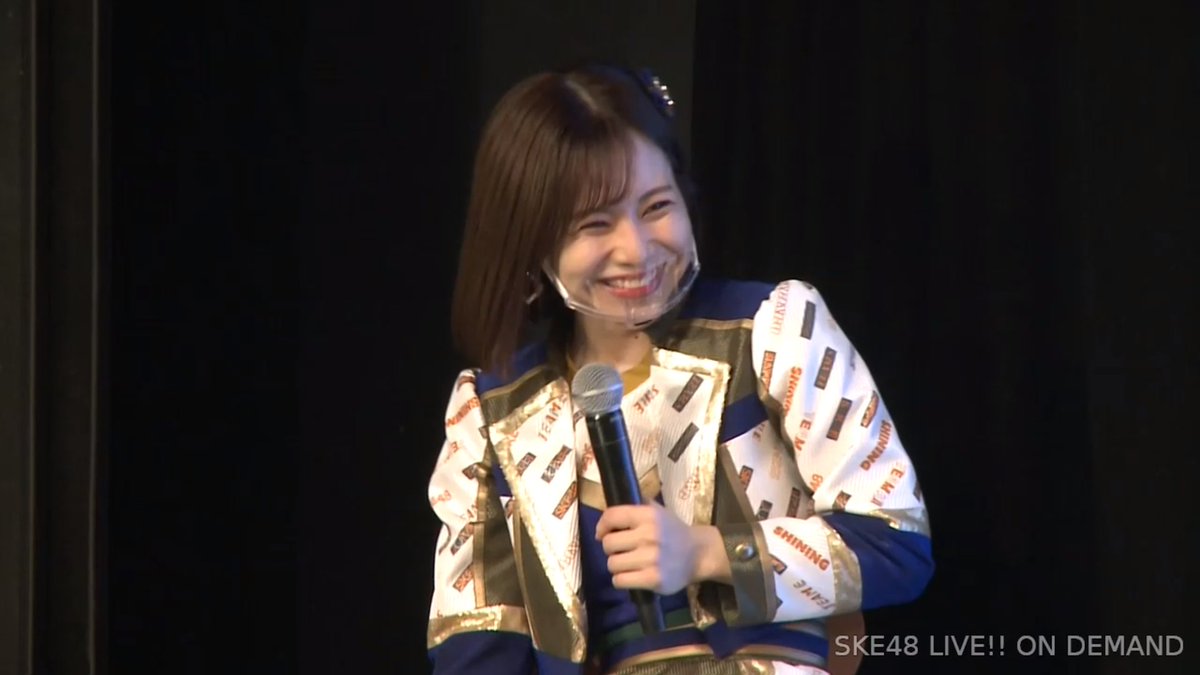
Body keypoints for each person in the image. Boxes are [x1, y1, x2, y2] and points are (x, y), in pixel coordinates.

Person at [425, 62, 933, 675]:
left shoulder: (772, 330)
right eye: (594, 225)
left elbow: (896, 545)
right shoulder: (492, 411)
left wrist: (707, 552)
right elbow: (477, 641)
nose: (637, 249)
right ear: (533, 244)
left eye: (656, 206)